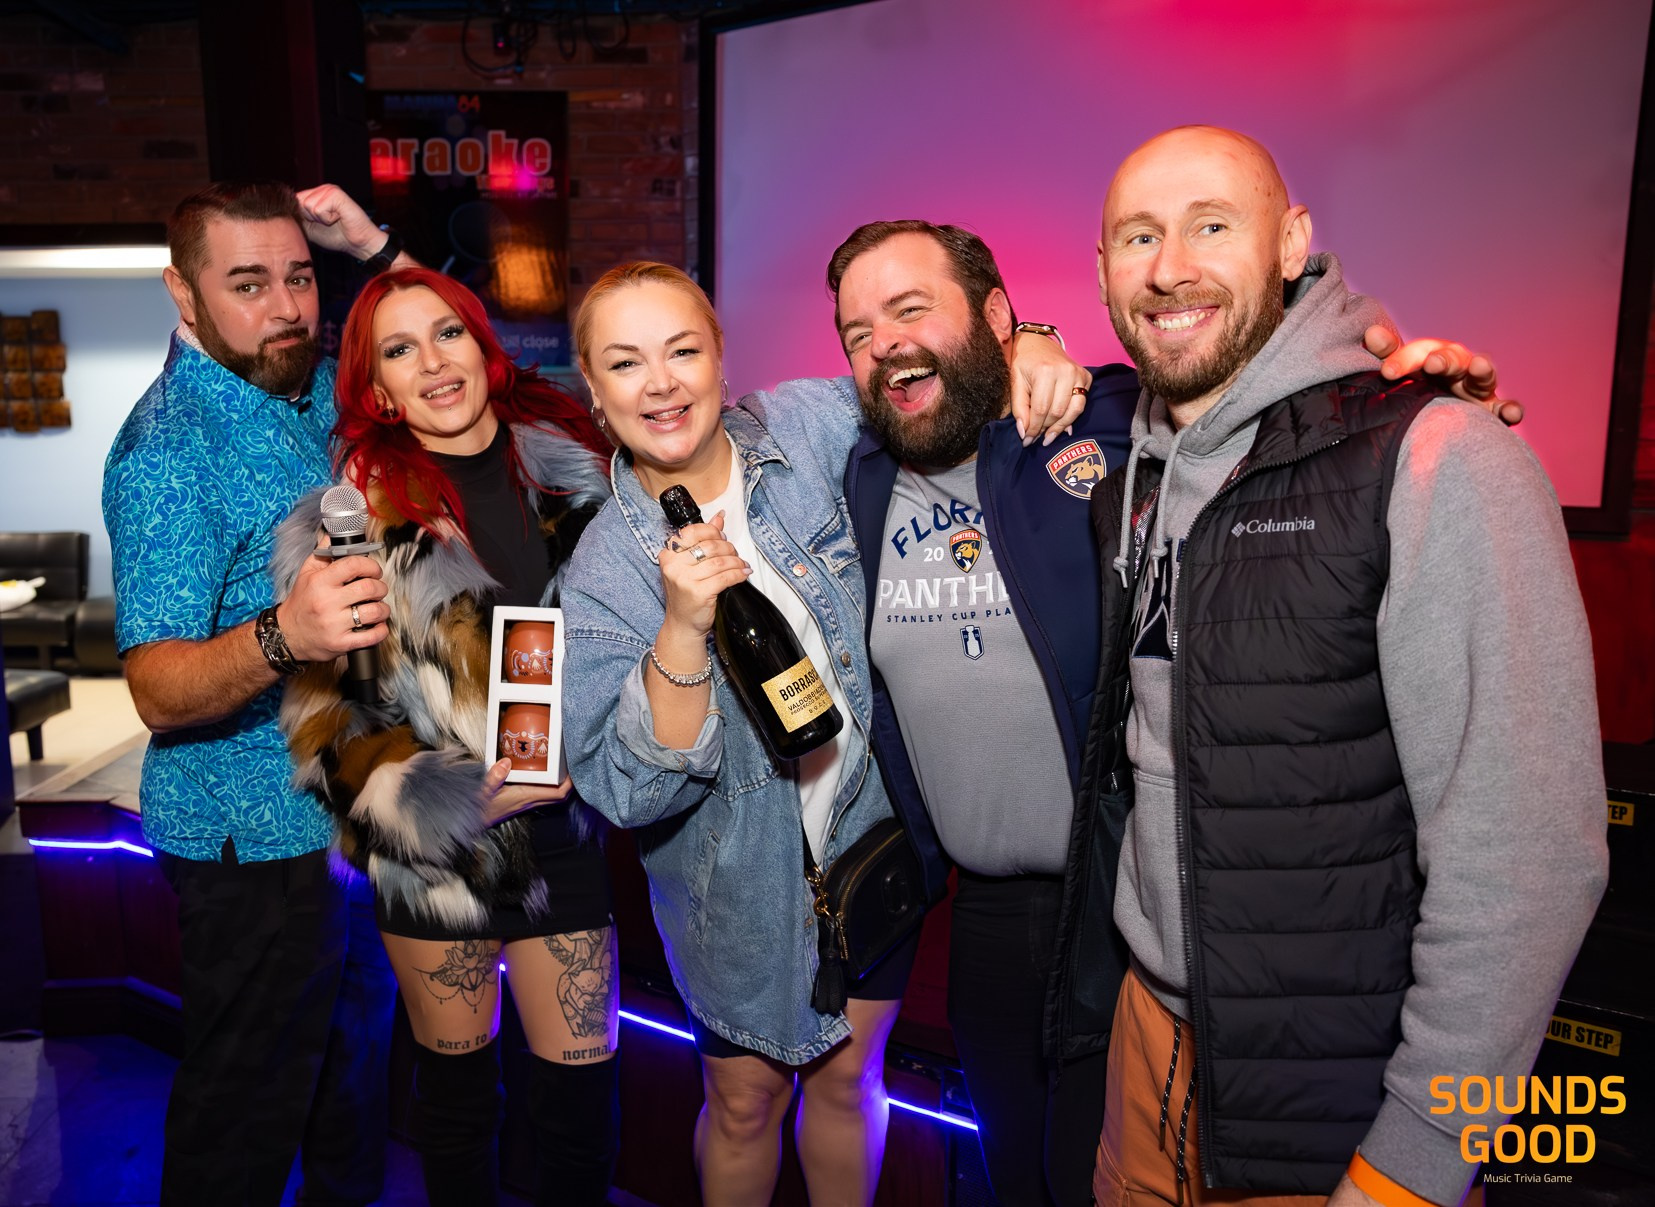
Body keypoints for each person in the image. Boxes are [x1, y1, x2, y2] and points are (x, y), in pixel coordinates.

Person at [826, 219, 1513, 1207]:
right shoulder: (859, 477)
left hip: (1123, 902)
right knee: (1014, 1176)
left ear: (992, 314)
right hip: (981, 914)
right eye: (856, 332)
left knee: (1115, 1178)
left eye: (908, 309)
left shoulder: (1107, 418)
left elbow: (1265, 397)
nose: (884, 342)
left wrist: (1413, 405)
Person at [1072, 125, 1607, 1207]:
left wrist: (1415, 1161)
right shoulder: (1131, 468)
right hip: (1148, 1044)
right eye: (1137, 237)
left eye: (1210, 226)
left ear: (1290, 243)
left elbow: (1527, 860)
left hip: (1332, 1087)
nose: (1168, 267)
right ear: (1101, 270)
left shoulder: (1440, 456)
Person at [558, 261, 1087, 1206]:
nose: (662, 383)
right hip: (732, 896)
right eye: (626, 363)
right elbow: (631, 793)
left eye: (683, 351)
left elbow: (933, 376)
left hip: (869, 849)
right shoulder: (602, 569)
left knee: (849, 1082)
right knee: (743, 1103)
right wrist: (680, 626)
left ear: (721, 358)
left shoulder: (809, 425)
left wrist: (1031, 343)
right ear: (594, 391)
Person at [271, 266, 619, 1207]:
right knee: (460, 1109)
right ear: (378, 388)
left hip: (568, 834)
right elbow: (329, 732)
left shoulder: (586, 473)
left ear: (482, 346)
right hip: (440, 860)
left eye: (447, 333)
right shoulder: (346, 527)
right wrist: (455, 802)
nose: (431, 361)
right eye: (399, 349)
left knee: (582, 1116)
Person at [101, 180, 411, 1206]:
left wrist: (372, 246)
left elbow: (453, 355)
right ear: (182, 295)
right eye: (247, 284)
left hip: (342, 822)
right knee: (242, 1126)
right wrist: (285, 634)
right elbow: (155, 686)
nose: (286, 308)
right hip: (251, 848)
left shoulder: (300, 382)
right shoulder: (167, 452)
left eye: (299, 277)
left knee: (351, 1103)